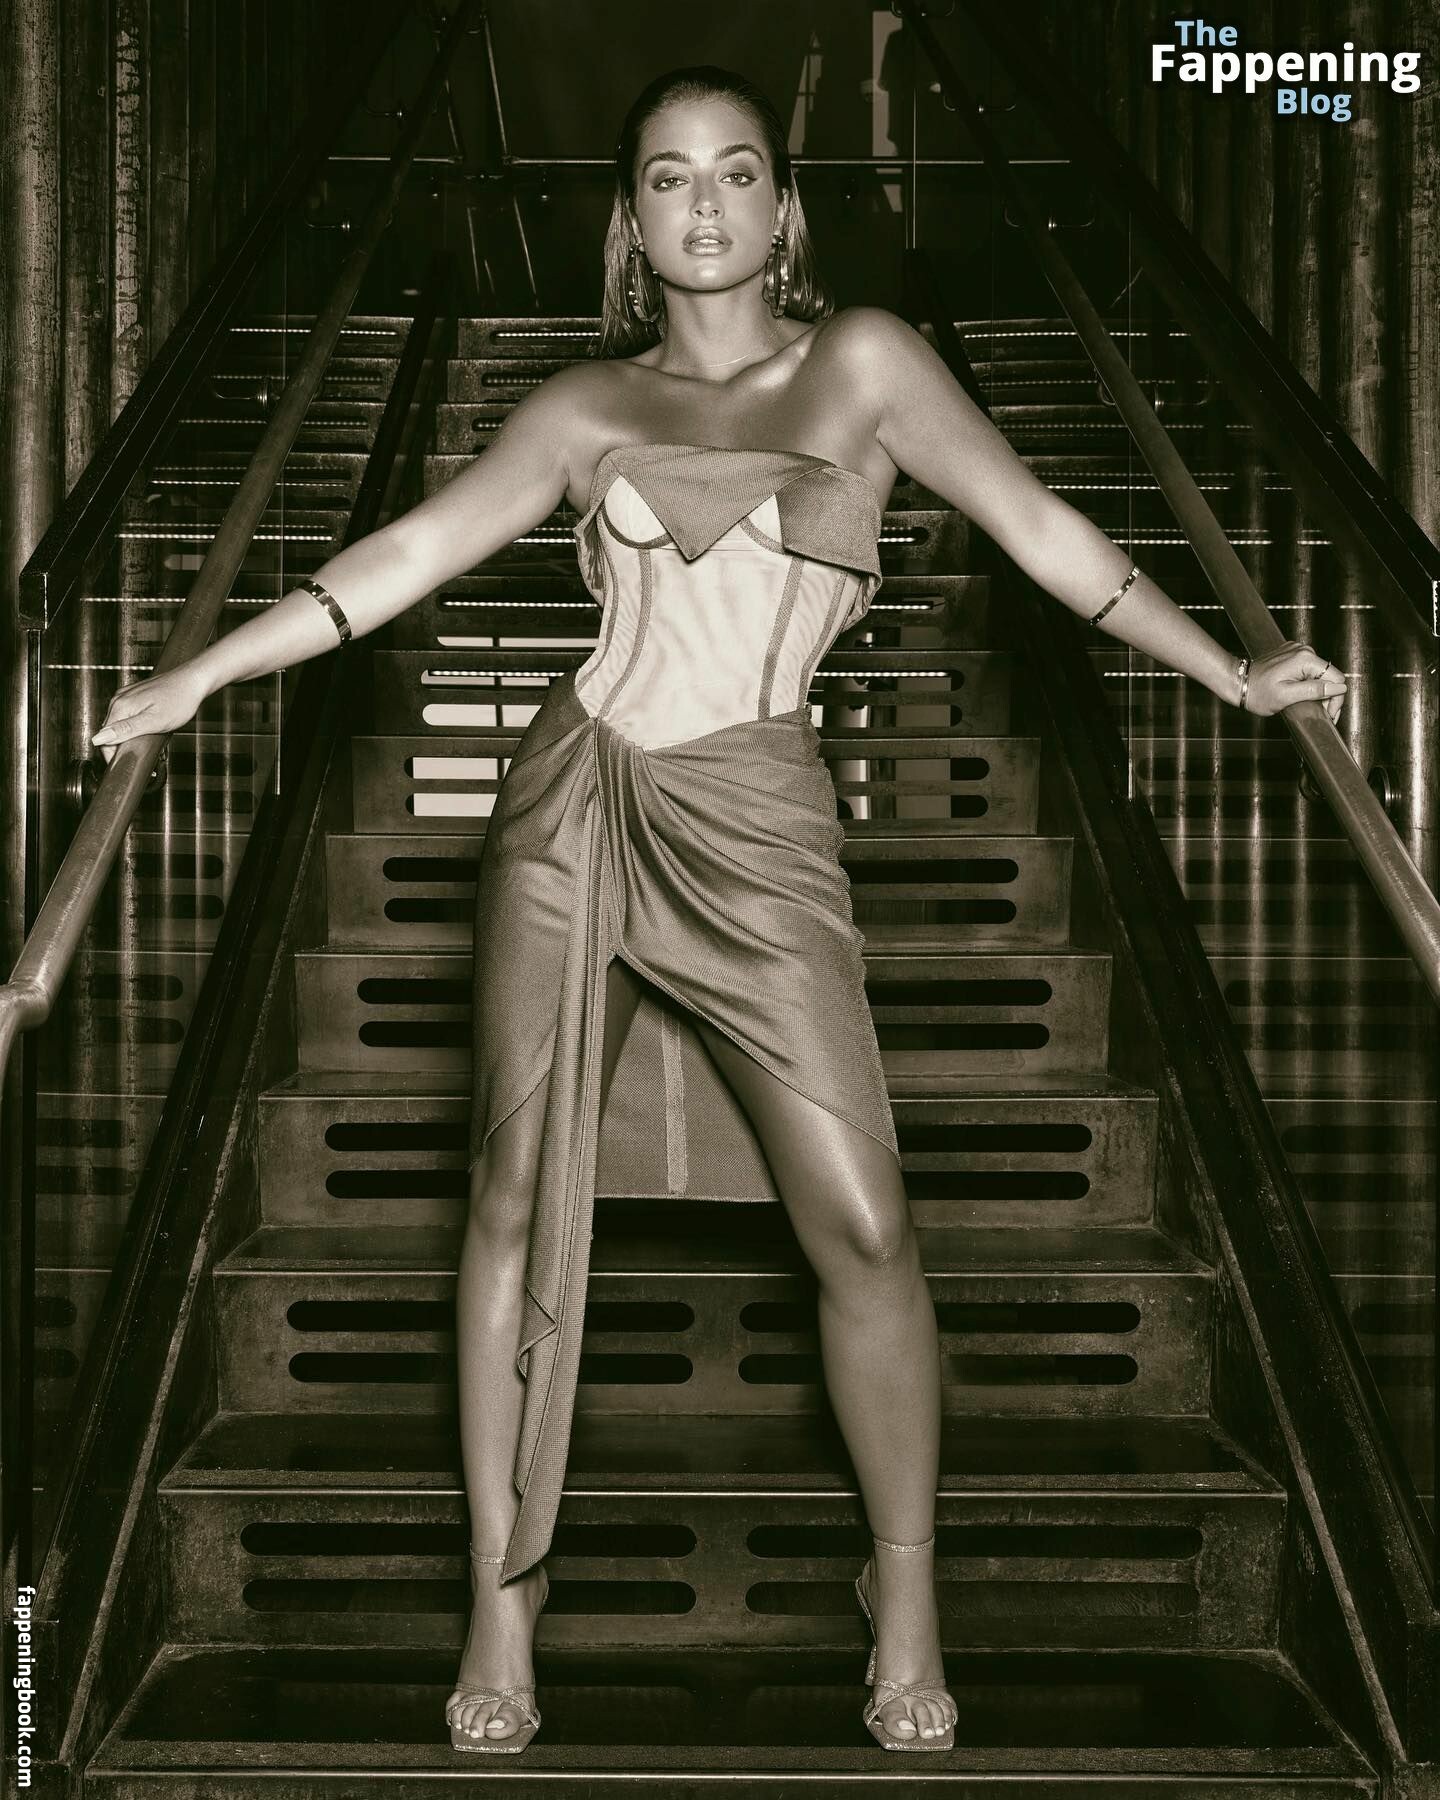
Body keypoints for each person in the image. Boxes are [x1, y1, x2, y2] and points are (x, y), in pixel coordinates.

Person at [93, 63, 1349, 1760]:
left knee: (866, 1223)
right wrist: (202, 674)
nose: (706, 203)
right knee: (511, 1200)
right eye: (671, 176)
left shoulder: (868, 362)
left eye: (738, 171)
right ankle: (502, 1600)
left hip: (760, 814)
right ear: (631, 216)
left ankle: (905, 1590)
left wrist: (1232, 670)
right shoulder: (581, 403)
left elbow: (1045, 531)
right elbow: (404, 555)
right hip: (575, 807)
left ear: (784, 207)